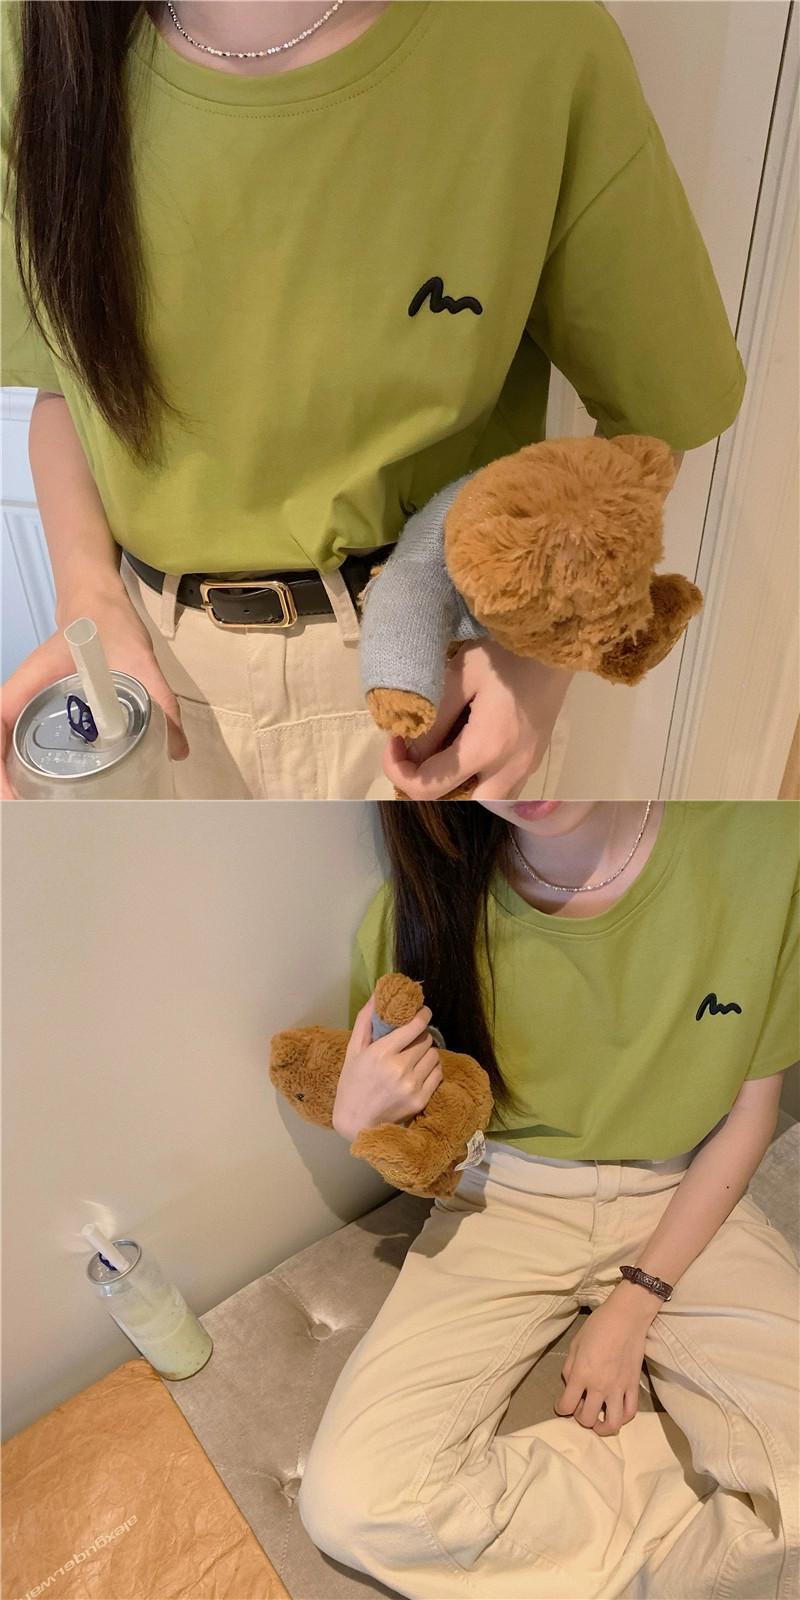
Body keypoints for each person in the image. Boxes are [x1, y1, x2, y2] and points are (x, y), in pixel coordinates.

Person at [1, 2, 744, 799]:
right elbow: (66, 384)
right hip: (146, 686)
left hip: (447, 675)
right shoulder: (34, 35)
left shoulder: (538, 39)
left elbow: (654, 419)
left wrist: (539, 656)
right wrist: (87, 602)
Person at [298, 800, 799, 1599]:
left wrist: (634, 1304)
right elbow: (430, 1139)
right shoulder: (415, 911)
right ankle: (709, 1501)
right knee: (357, 1505)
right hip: (503, 1198)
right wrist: (361, 1123)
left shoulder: (764, 846)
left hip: (687, 1190)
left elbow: (749, 1113)